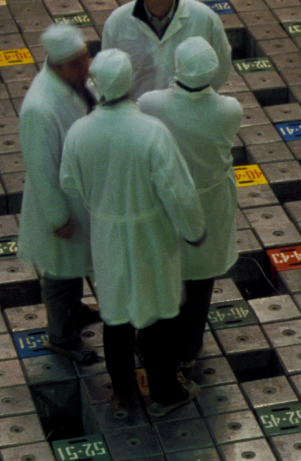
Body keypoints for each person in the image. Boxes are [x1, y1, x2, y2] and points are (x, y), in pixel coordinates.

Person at [60, 50, 207, 419]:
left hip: (107, 235)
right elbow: (177, 191)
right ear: (129, 83)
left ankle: (122, 394)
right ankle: (164, 392)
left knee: (116, 317)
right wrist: (194, 231)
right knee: (158, 316)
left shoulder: (80, 131)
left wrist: (100, 203)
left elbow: (69, 183)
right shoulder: (151, 131)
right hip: (150, 235)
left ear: (96, 85)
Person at [139, 39, 241, 369]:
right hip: (210, 204)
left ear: (177, 66)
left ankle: (149, 345)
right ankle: (188, 346)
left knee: (159, 275)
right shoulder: (230, 109)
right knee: (200, 280)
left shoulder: (151, 103)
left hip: (165, 203)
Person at [18, 23, 99, 365]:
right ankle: (61, 336)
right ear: (57, 65)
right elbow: (41, 170)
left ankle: (74, 310)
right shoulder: (39, 107)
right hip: (61, 201)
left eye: (85, 58)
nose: (86, 67)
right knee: (60, 269)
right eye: (77, 64)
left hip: (80, 193)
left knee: (74, 263)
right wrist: (58, 217)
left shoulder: (72, 84)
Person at [101, 0, 232, 101]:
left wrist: (196, 102)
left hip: (187, 110)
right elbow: (108, 72)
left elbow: (222, 66)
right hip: (137, 112)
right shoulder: (117, 23)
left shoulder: (204, 17)